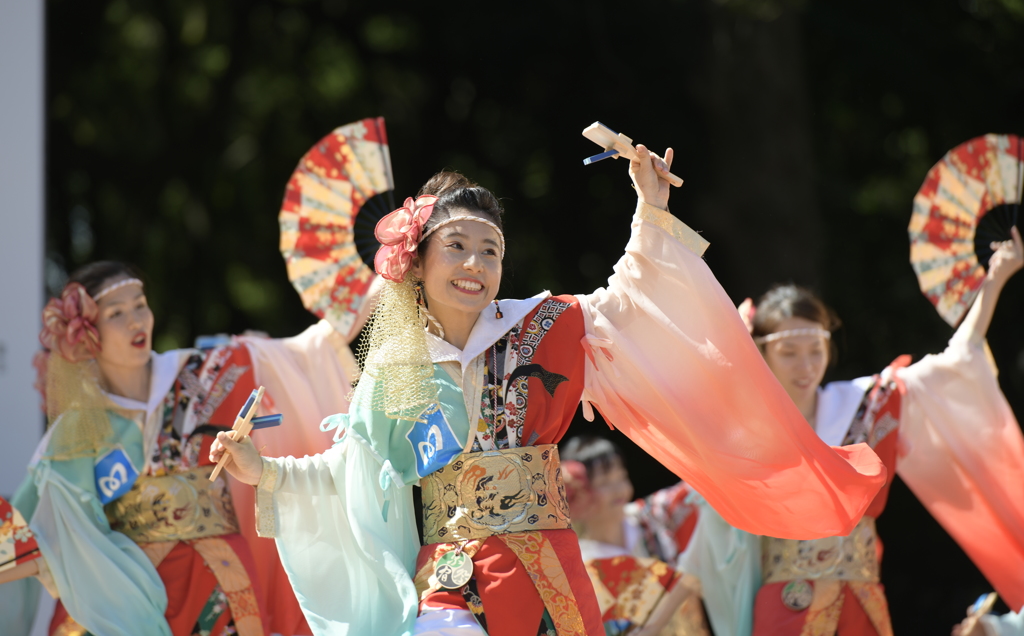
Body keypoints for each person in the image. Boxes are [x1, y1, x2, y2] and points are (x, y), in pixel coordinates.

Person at [211, 143, 887, 636]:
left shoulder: (547, 324)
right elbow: (356, 466)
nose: (476, 263)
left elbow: (630, 301)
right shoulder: (394, 364)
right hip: (451, 572)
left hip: (545, 563)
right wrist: (264, 471)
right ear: (418, 260)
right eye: (458, 246)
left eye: (491, 249)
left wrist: (649, 213)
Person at [692, 227, 1024, 636]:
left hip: (861, 596)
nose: (805, 365)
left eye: (816, 350)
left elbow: (950, 364)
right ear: (761, 351)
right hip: (788, 601)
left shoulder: (866, 402)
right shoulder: (747, 430)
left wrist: (995, 281)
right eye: (789, 352)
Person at [0, 261, 361, 636]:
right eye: (117, 313)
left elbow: (303, 353)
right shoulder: (79, 429)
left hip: (221, 588)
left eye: (140, 304)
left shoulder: (200, 373)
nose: (136, 320)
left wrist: (386, 282)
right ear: (88, 334)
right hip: (135, 598)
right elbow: (37, 530)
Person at [561, 435, 709, 636]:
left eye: (621, 477)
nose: (619, 489)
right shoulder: (578, 564)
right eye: (604, 482)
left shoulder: (653, 516)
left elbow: (700, 491)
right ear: (578, 493)